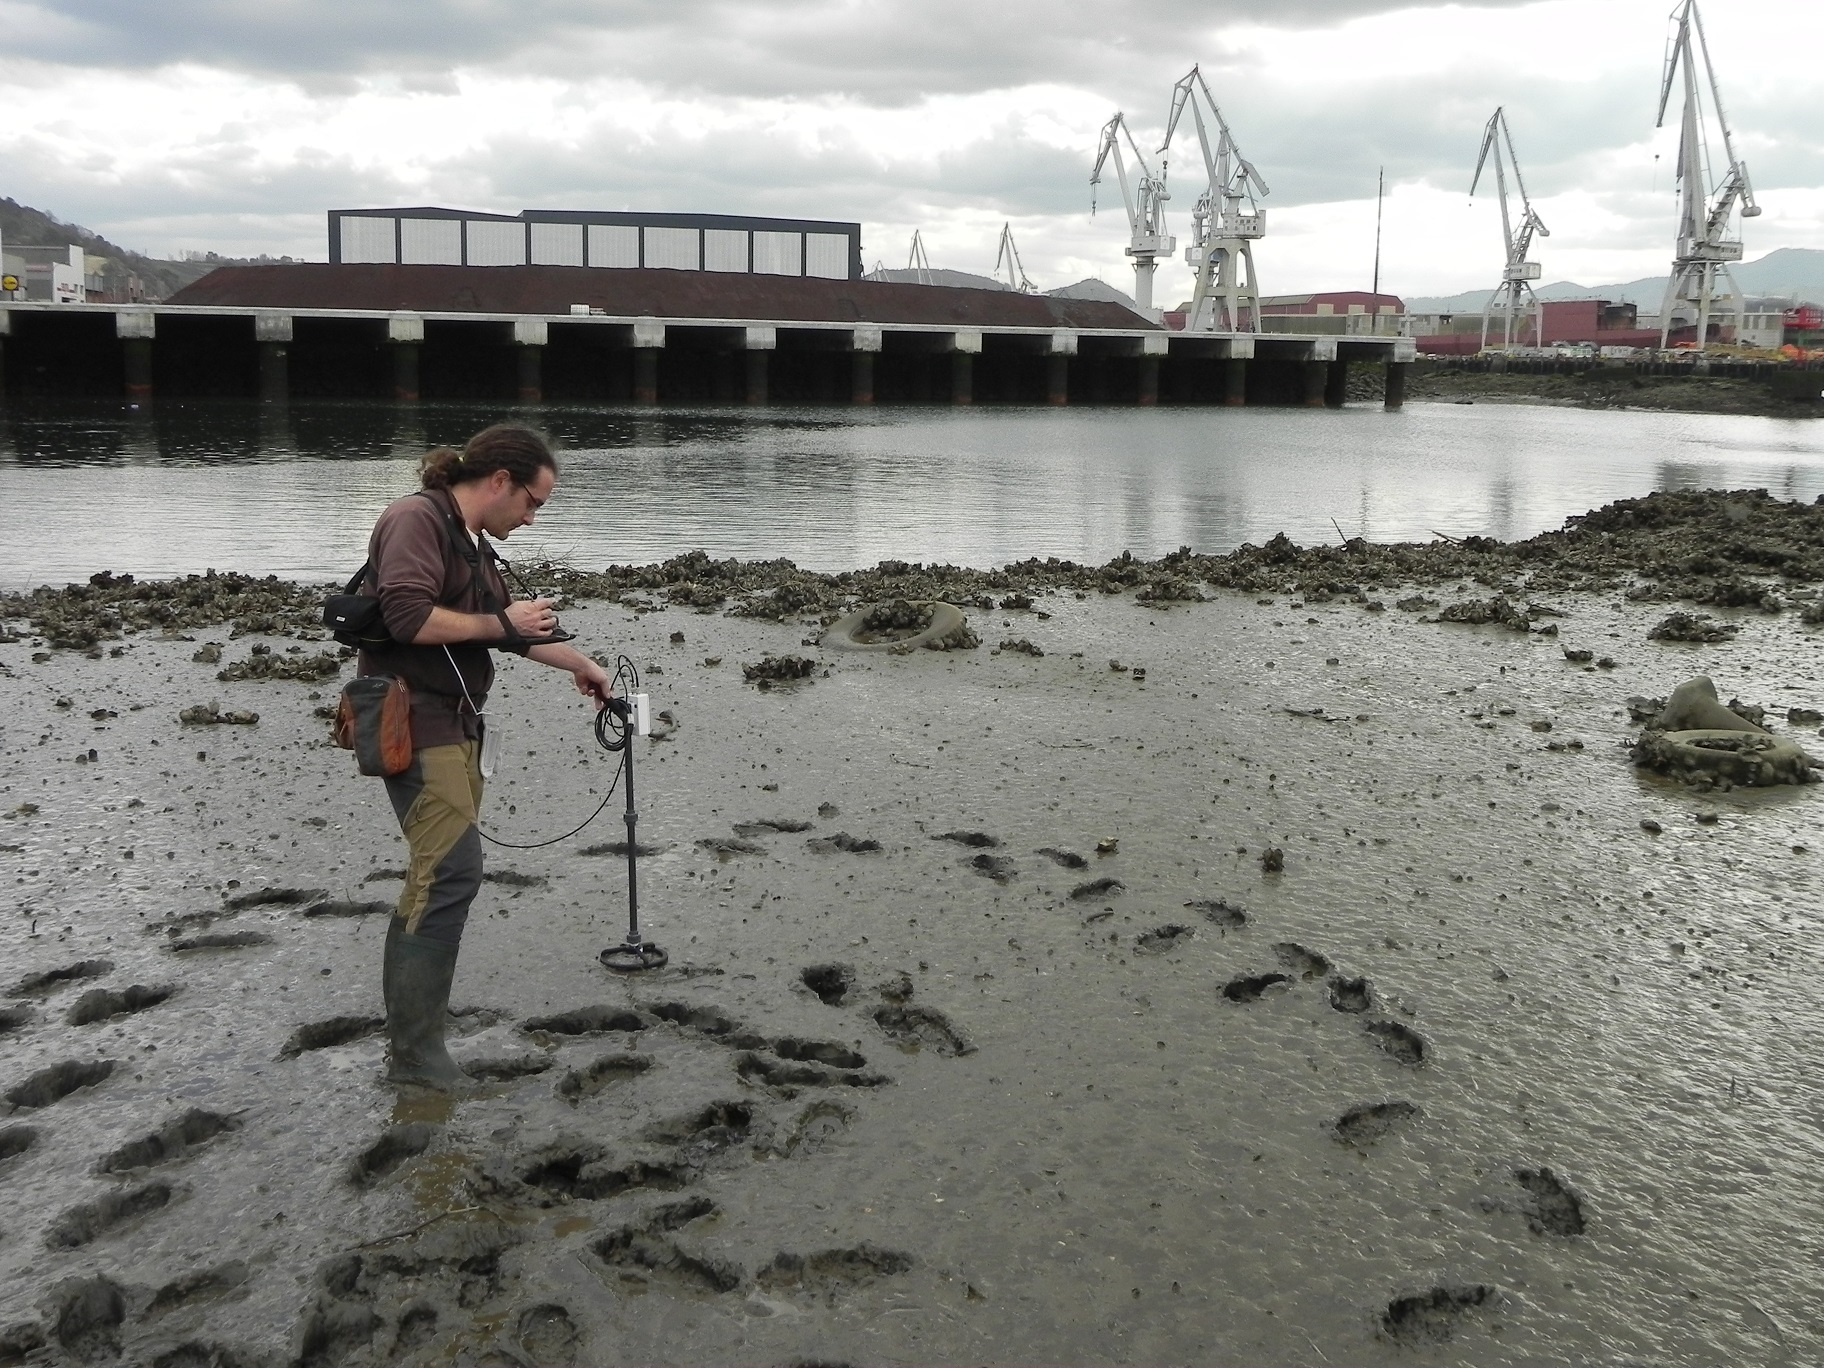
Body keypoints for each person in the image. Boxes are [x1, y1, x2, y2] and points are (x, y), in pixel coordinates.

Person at [359, 423, 611, 1090]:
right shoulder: (416, 519)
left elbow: (516, 634)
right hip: (412, 721)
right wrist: (505, 625)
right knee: (449, 873)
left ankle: (413, 1042)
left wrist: (581, 664)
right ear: (500, 481)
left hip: (459, 725)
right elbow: (409, 616)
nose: (531, 519)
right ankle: (417, 1060)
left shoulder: (473, 543)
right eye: (532, 503)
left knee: (435, 877)